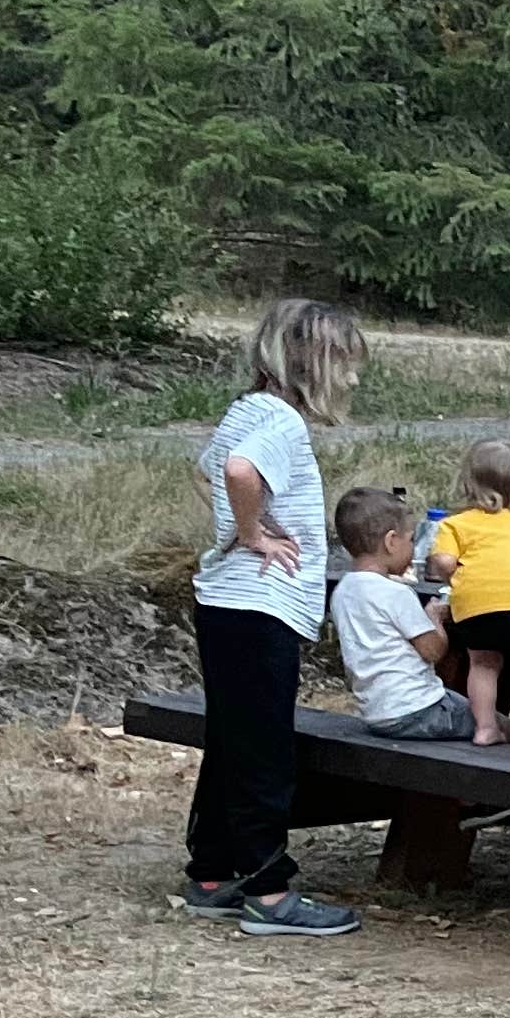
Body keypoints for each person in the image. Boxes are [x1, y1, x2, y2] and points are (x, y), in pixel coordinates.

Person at [182, 297, 366, 935]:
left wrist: (239, 526)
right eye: (345, 363)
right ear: (313, 363)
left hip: (225, 603)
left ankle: (211, 872)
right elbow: (235, 471)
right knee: (264, 752)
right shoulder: (281, 423)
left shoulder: (244, 410)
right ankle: (268, 893)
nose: (352, 378)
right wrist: (255, 532)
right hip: (261, 606)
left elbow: (206, 471)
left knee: (233, 740)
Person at [432, 439, 510, 749]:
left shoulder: (454, 524)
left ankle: (485, 728)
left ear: (467, 483)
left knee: (483, 665)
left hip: (474, 609)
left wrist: (452, 571)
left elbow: (443, 560)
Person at [328, 488, 477, 740]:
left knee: (465, 705)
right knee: (491, 722)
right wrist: (434, 618)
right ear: (391, 541)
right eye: (410, 540)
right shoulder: (395, 593)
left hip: (377, 713)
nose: (413, 548)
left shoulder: (343, 591)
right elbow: (433, 651)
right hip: (418, 709)